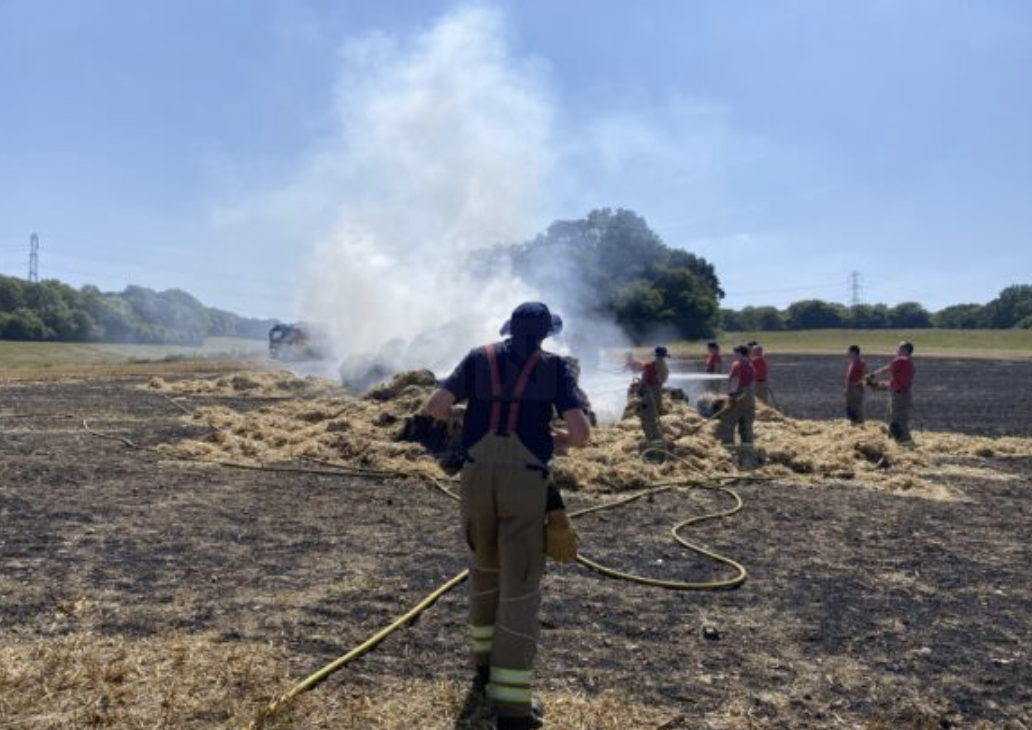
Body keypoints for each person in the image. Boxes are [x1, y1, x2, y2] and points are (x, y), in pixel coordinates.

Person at [422, 302, 591, 730]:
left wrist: (472, 412)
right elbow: (581, 433)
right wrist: (562, 442)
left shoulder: (479, 357)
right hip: (524, 479)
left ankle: (483, 668)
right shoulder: (555, 368)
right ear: (546, 334)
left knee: (484, 567)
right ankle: (513, 707)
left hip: (476, 475)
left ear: (510, 330)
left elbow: (436, 407)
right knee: (520, 582)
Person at [717, 345, 756, 463]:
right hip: (749, 396)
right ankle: (748, 453)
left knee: (728, 421)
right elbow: (752, 382)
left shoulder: (737, 364)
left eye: (735, 353)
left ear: (740, 353)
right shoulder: (750, 365)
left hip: (739, 395)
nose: (734, 355)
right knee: (746, 424)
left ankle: (728, 451)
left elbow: (735, 380)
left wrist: (732, 397)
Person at [874, 341, 916, 446]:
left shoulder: (902, 360)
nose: (897, 351)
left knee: (899, 421)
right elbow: (896, 381)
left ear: (905, 350)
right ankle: (894, 442)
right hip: (902, 394)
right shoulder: (909, 362)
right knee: (892, 419)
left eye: (899, 349)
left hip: (899, 396)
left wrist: (873, 375)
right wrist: (880, 385)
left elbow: (887, 369)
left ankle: (909, 446)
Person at [635, 346, 670, 455]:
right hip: (657, 394)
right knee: (653, 420)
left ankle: (657, 448)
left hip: (649, 394)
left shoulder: (650, 366)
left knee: (647, 420)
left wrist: (639, 390)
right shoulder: (664, 367)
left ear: (655, 355)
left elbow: (644, 380)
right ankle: (656, 444)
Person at [845, 345, 866, 425]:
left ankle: (860, 422)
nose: (848, 354)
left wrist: (859, 384)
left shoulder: (860, 362)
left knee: (857, 405)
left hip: (856, 387)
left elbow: (865, 374)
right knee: (850, 405)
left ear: (854, 352)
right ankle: (853, 421)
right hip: (850, 386)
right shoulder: (852, 362)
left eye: (849, 352)